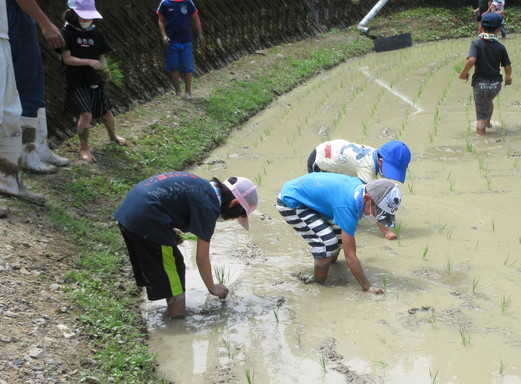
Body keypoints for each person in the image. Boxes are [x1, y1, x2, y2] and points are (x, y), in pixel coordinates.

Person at [113, 172, 258, 319]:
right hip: (147, 217)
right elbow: (201, 258)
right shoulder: (209, 206)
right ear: (233, 203)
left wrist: (170, 231)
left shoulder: (204, 188)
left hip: (129, 210)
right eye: (234, 217)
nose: (227, 219)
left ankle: (170, 315)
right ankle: (177, 323)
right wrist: (212, 287)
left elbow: (169, 201)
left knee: (162, 267)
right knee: (174, 270)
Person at [276, 172, 401, 294]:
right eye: (378, 212)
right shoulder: (347, 207)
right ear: (366, 199)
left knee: (339, 238)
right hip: (291, 201)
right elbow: (350, 256)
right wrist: (367, 287)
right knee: (326, 243)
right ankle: (318, 285)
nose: (377, 217)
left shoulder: (361, 190)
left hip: (307, 196)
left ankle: (330, 262)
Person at [58, 0, 126, 163]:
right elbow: (66, 59)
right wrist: (88, 61)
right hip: (75, 81)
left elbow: (102, 56)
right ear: (73, 14)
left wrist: (105, 71)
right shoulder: (66, 32)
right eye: (83, 17)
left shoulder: (97, 33)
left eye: (89, 17)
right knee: (86, 115)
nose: (87, 20)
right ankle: (84, 149)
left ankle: (113, 135)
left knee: (107, 112)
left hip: (95, 79)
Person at [8, 0, 69, 174]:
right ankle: (28, 154)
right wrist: (46, 23)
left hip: (20, 18)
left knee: (36, 85)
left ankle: (41, 148)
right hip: (15, 18)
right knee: (28, 88)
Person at [307, 139, 411, 240]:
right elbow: (372, 201)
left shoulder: (376, 154)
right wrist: (386, 231)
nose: (389, 177)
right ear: (380, 161)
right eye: (390, 171)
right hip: (320, 160)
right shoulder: (367, 167)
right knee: (326, 204)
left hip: (333, 153)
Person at [0, 0, 44, 203]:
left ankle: (8, 182)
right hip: (6, 32)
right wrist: (47, 24)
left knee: (9, 113)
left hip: (4, 35)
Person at [458, 12, 512, 135]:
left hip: (481, 84)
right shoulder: (500, 47)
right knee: (489, 100)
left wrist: (463, 73)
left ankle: (482, 140)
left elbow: (471, 60)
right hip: (495, 85)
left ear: (481, 27)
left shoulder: (476, 43)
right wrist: (508, 78)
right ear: (498, 30)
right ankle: (488, 123)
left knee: (480, 117)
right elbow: (507, 66)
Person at [157, 0, 203, 99]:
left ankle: (188, 92)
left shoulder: (188, 2)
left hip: (186, 41)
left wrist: (200, 33)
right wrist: (164, 35)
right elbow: (161, 20)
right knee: (174, 67)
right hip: (171, 41)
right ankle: (177, 91)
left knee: (188, 67)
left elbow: (195, 17)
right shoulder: (165, 3)